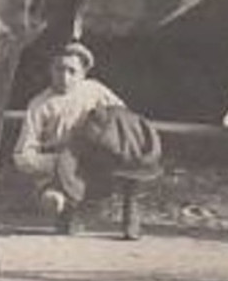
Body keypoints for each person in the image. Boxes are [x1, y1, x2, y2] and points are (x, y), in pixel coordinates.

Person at [11, 42, 143, 237]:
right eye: (59, 69)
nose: (65, 77)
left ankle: (130, 212)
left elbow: (123, 117)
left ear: (83, 73)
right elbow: (22, 155)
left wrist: (107, 131)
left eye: (72, 71)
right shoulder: (40, 105)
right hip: (59, 168)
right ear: (50, 69)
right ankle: (68, 212)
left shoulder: (95, 91)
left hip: (93, 159)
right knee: (53, 201)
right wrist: (59, 162)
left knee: (134, 152)